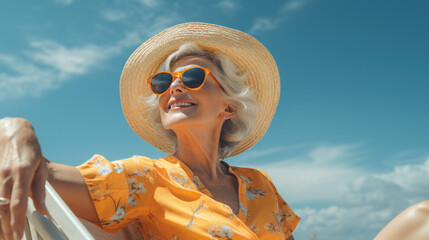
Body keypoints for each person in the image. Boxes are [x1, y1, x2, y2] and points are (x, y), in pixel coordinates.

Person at [0, 22, 300, 240]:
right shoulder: (145, 179)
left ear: (229, 107)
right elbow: (42, 177)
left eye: (193, 76)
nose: (174, 86)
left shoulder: (260, 184)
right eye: (163, 82)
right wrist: (16, 128)